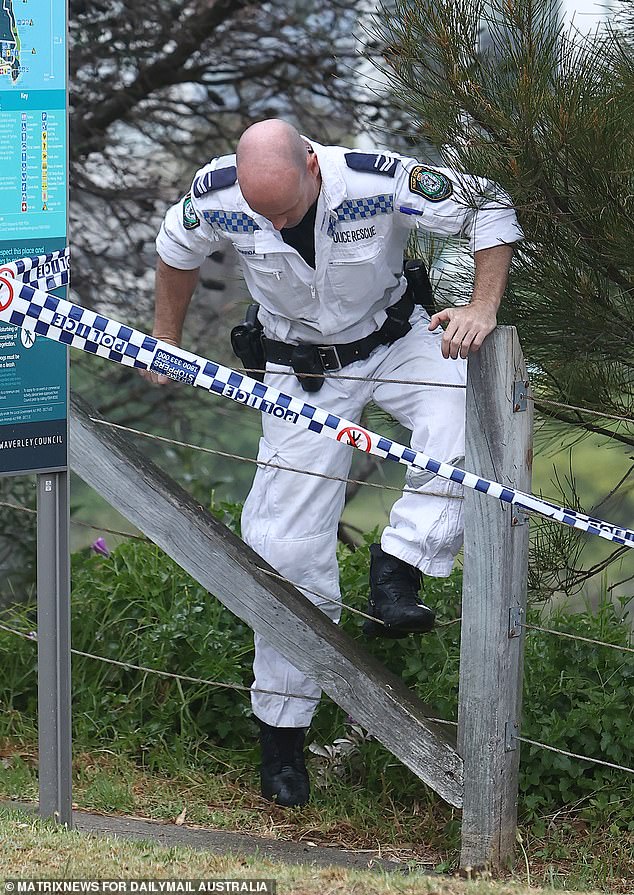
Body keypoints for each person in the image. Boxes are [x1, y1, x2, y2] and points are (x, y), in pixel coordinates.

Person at [147, 119, 523, 808]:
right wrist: (165, 340)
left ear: (313, 168)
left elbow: (489, 205)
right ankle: (284, 740)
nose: (275, 220)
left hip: (396, 339)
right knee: (283, 547)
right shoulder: (219, 191)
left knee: (455, 421)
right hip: (301, 368)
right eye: (263, 214)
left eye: (286, 208)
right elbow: (177, 250)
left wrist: (481, 305)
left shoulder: (375, 177)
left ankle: (399, 571)